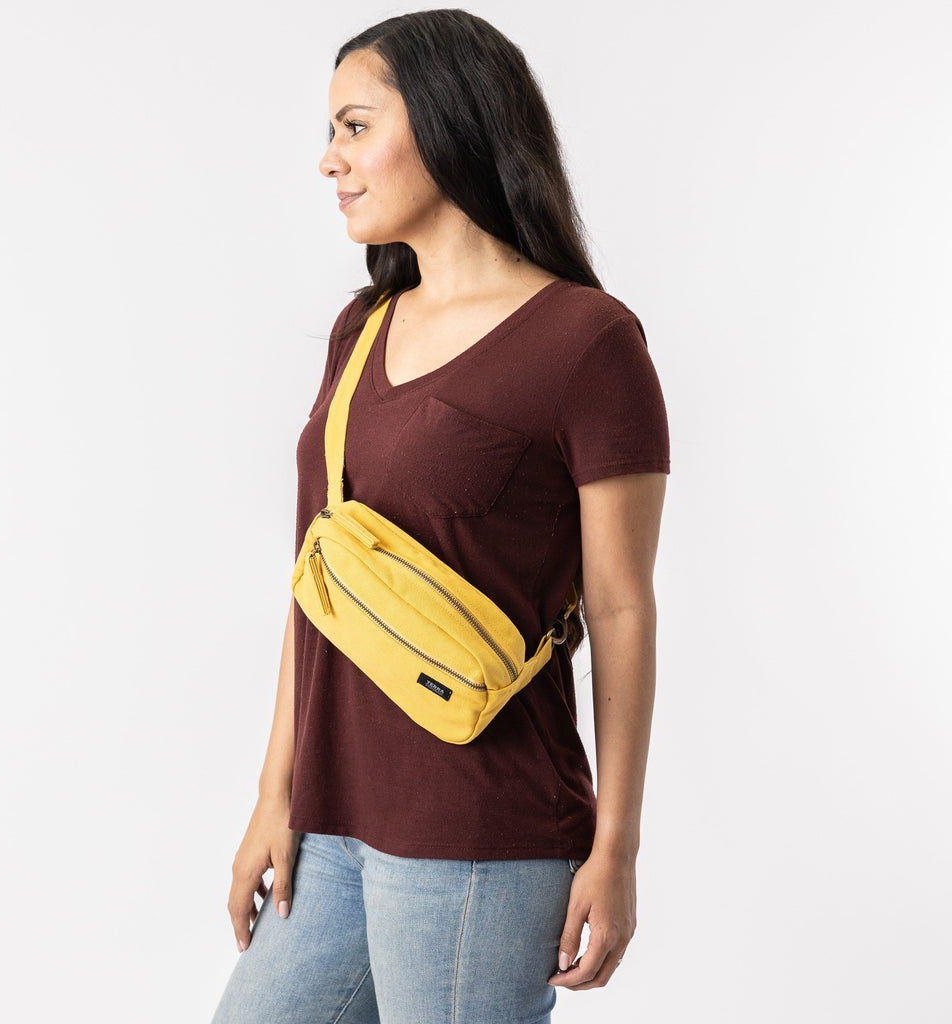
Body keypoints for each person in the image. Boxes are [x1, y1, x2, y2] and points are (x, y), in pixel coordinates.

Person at [211, 9, 669, 1023]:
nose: (329, 160)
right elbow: (318, 586)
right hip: (330, 825)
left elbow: (620, 607)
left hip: (481, 836)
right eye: (331, 132)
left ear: (450, 120)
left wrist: (616, 847)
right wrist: (274, 793)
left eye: (355, 127)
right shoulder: (360, 328)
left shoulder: (588, 342)